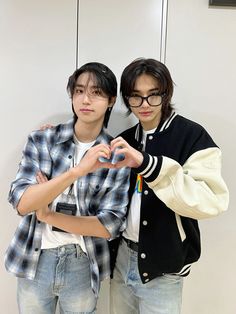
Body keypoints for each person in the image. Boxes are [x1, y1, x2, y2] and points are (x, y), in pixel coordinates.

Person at [4, 62, 130, 314]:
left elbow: (109, 226)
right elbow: (23, 202)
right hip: (35, 257)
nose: (86, 99)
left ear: (110, 100)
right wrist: (77, 171)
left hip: (83, 262)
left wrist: (49, 214)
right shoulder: (43, 140)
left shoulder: (117, 156)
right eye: (79, 91)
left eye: (96, 93)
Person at [108, 58, 229, 314]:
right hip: (121, 260)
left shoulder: (192, 136)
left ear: (166, 94)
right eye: (135, 97)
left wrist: (149, 165)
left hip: (165, 267)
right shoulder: (125, 141)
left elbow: (211, 201)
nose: (144, 105)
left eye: (153, 96)